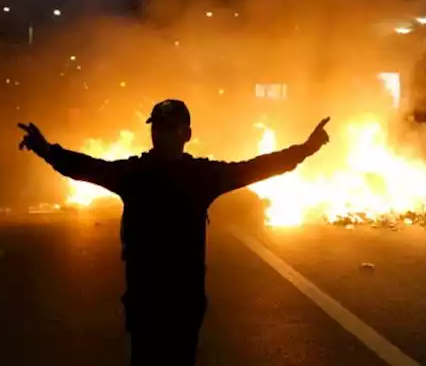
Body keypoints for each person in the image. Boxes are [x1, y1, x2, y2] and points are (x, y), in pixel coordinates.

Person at [17, 99, 331, 366]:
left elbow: (255, 168)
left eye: (168, 129)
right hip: (145, 297)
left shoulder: (200, 175)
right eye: (157, 128)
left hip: (184, 299)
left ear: (186, 134)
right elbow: (88, 168)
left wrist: (305, 149)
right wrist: (47, 150)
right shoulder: (136, 173)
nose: (160, 135)